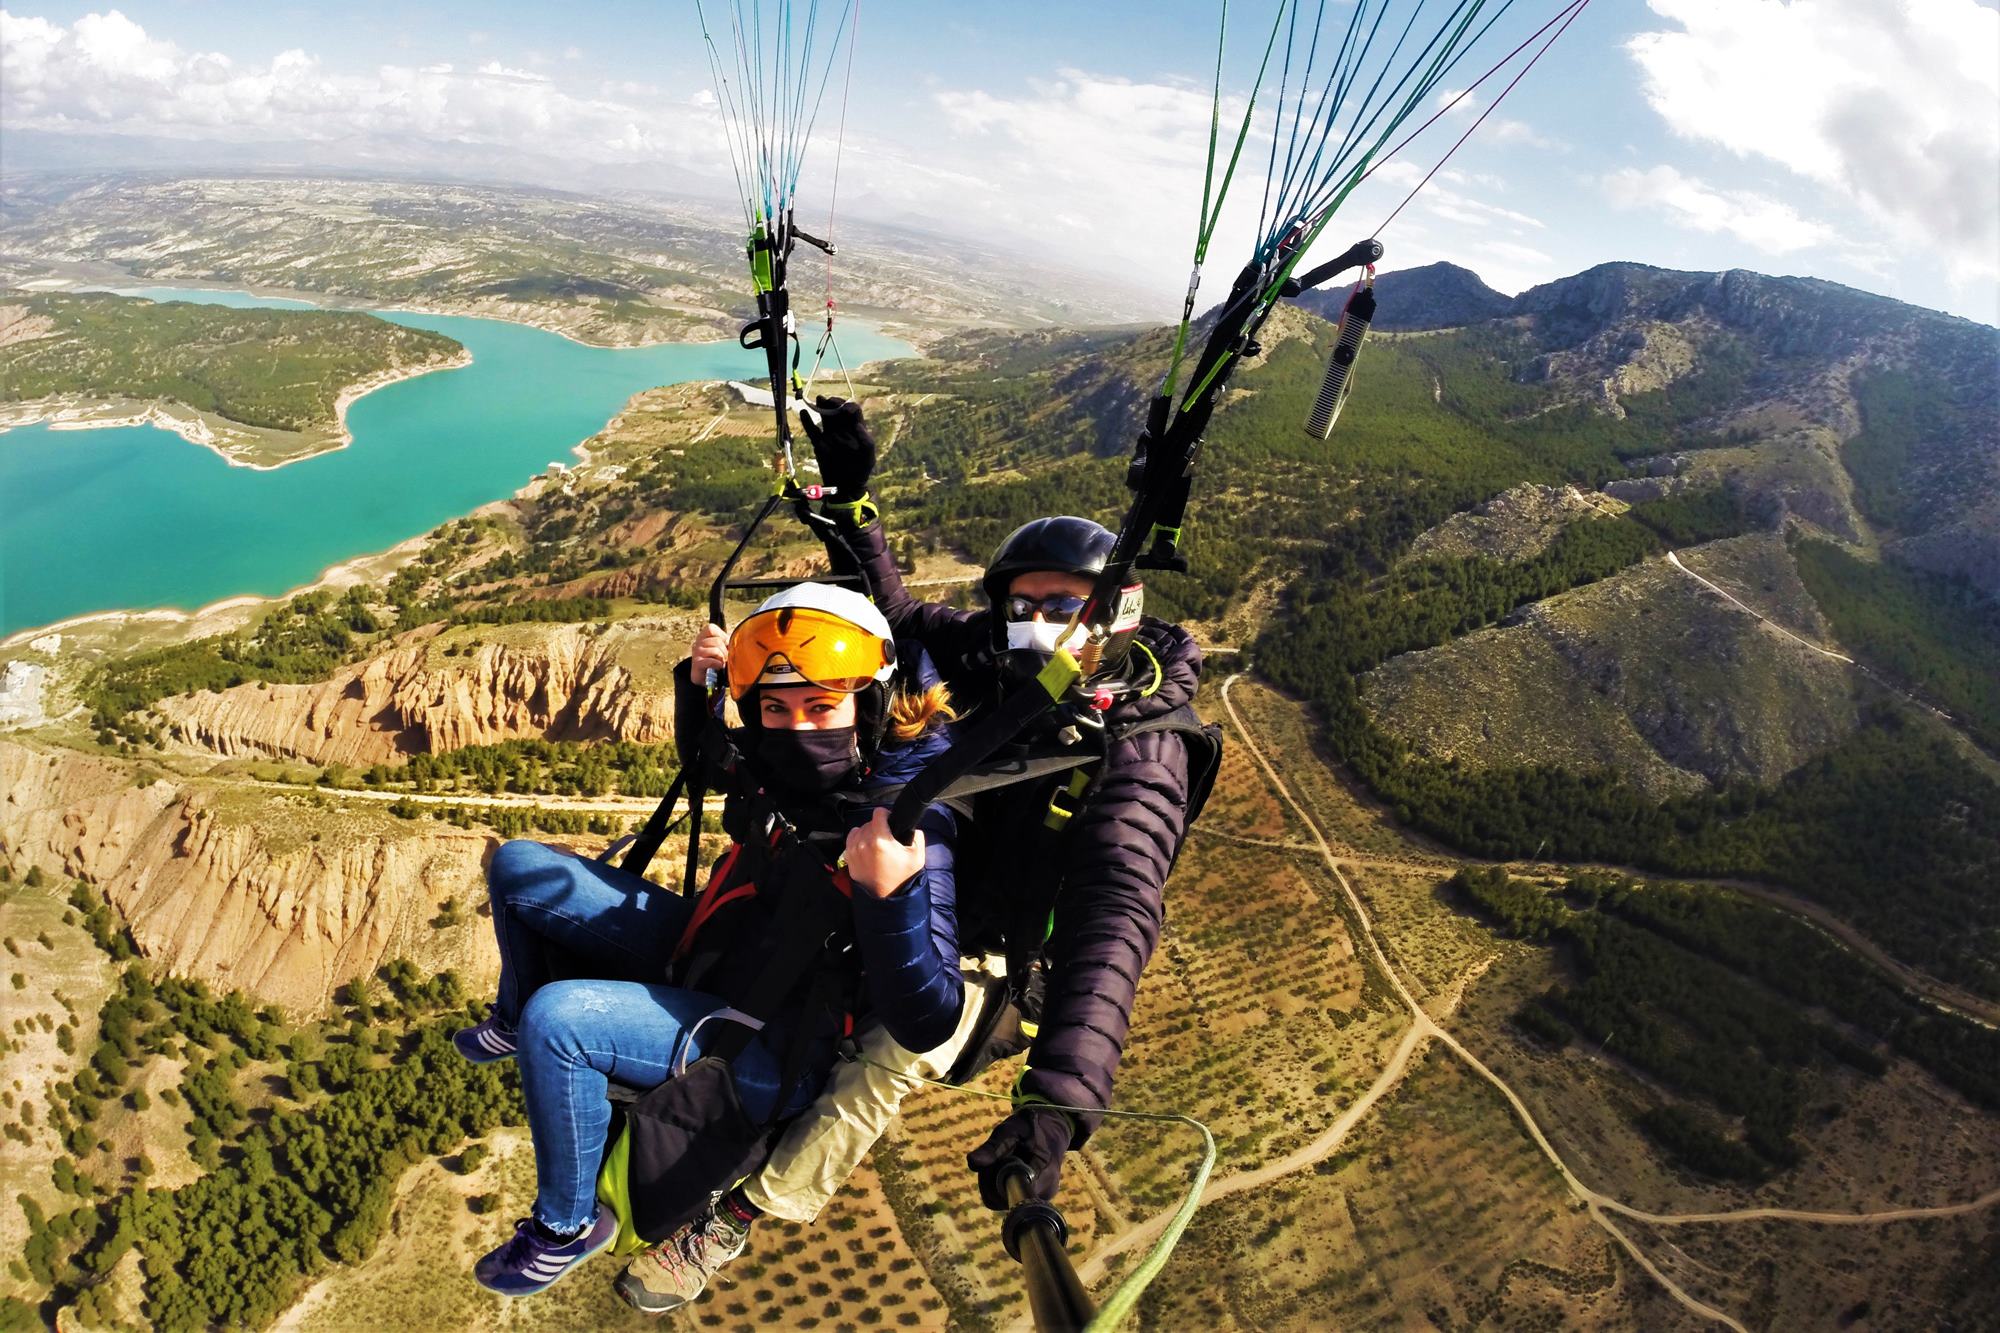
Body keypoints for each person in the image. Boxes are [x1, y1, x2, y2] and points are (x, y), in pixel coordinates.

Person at [621, 397, 1216, 1312]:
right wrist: (853, 506)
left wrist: (1057, 1106)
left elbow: (1116, 923)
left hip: (993, 959)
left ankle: (740, 1210)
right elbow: (897, 611)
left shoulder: (1140, 749)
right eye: (1023, 603)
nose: (1039, 620)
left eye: (1064, 604)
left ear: (1115, 613)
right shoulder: (1007, 658)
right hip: (914, 873)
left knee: (889, 1054)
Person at [455, 582, 964, 1300]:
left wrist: (892, 897)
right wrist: (698, 688)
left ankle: (566, 1224)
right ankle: (511, 1019)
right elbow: (710, 760)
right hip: (712, 955)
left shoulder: (906, 822)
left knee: (561, 1021)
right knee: (517, 868)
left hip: (761, 1042)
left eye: (821, 706)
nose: (797, 727)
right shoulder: (778, 766)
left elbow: (930, 1017)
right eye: (776, 708)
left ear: (868, 709)